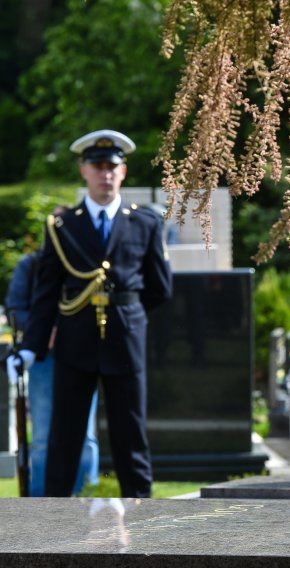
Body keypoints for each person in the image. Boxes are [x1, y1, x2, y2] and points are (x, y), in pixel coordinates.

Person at [5, 130, 172, 497]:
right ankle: (52, 530)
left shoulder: (144, 223)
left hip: (125, 345)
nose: (105, 174)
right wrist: (31, 347)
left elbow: (160, 289)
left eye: (112, 167)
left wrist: (127, 318)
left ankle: (144, 527)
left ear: (123, 171)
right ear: (83, 171)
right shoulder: (64, 226)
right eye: (97, 166)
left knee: (132, 440)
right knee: (64, 439)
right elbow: (47, 293)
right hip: (75, 344)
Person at [5, 230, 99, 496]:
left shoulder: (86, 263)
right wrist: (43, 331)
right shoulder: (31, 264)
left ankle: (87, 498)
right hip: (44, 357)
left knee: (86, 436)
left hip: (82, 354)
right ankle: (40, 501)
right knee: (43, 436)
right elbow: (16, 307)